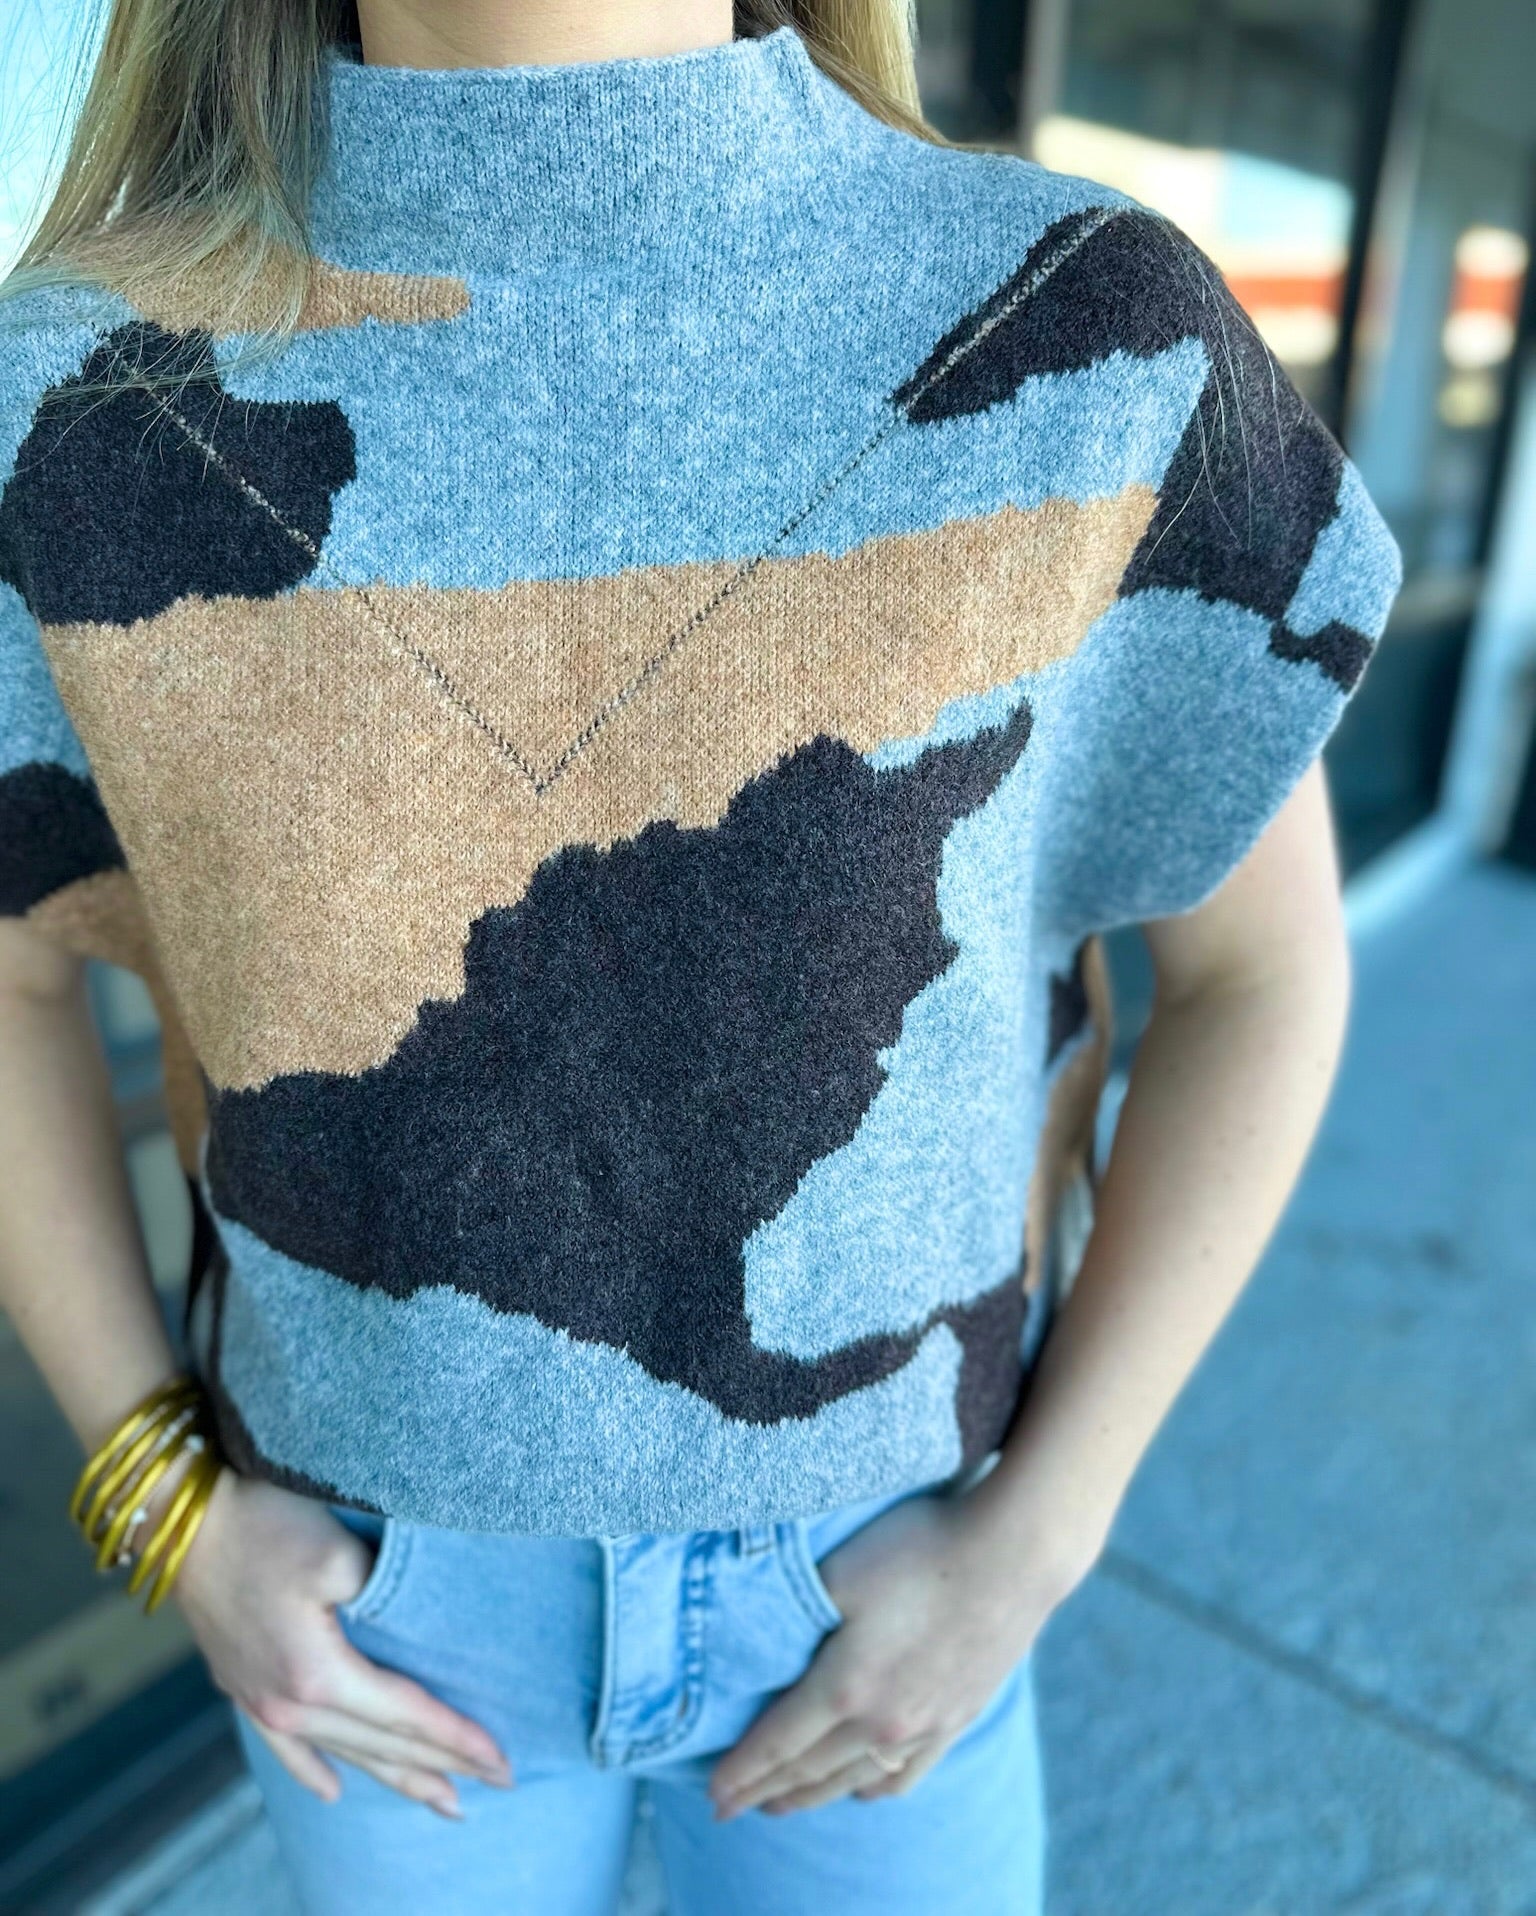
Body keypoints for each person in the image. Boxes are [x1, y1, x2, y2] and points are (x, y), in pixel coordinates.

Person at [0, 0, 1402, 1910]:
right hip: (376, 1614)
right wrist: (163, 1506)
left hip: (891, 1573)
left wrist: (1041, 1537)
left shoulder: (1083, 326)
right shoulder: (73, 397)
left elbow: (1260, 976)